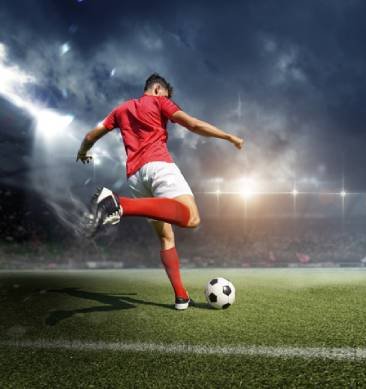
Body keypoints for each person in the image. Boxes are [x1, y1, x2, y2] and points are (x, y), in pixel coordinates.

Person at [76, 73, 244, 310]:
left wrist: (83, 152)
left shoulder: (120, 110)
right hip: (158, 166)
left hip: (135, 177)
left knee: (166, 238)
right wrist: (228, 136)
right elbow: (193, 124)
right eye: (166, 94)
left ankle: (181, 297)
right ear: (157, 90)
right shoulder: (159, 101)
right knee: (191, 217)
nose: (167, 99)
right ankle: (119, 203)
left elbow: (89, 136)